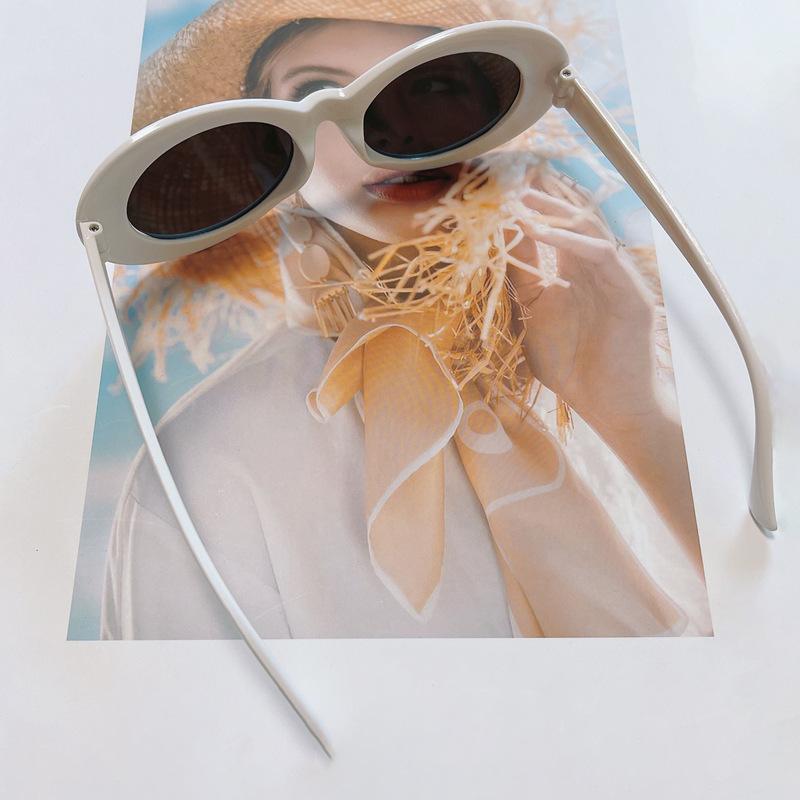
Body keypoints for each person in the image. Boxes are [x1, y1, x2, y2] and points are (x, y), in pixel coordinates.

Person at [101, 0, 712, 639]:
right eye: (318, 93)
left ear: (500, 108)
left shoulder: (645, 353)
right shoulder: (205, 461)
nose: (393, 130)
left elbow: (763, 635)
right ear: (270, 153)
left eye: (433, 83)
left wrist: (631, 411)